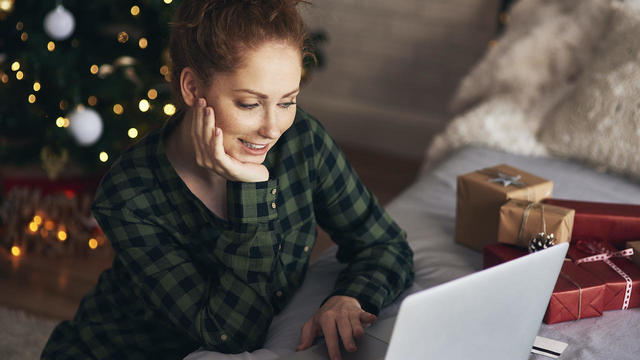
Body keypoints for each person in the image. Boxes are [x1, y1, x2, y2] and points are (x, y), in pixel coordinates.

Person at [41, 1, 414, 359]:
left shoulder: (302, 141)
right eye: (249, 104)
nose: (273, 128)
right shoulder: (129, 195)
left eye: (287, 101)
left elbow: (385, 244)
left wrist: (349, 298)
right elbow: (231, 335)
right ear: (192, 88)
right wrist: (250, 187)